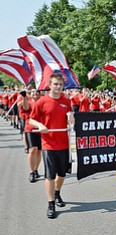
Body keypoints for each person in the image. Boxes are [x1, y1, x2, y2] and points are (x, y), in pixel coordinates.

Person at [29, 73, 74, 219]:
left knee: (61, 174)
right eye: (55, 84)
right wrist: (40, 125)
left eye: (60, 84)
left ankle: (57, 193)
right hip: (48, 144)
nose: (58, 87)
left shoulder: (66, 101)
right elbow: (31, 121)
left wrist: (70, 117)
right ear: (50, 85)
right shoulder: (42, 102)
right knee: (50, 175)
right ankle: (50, 204)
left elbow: (71, 121)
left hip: (63, 144)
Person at [22, 90, 42, 182]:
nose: (35, 94)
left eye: (37, 93)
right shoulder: (28, 102)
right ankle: (31, 172)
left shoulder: (42, 102)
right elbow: (25, 107)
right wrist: (24, 97)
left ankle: (36, 169)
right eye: (33, 93)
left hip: (41, 129)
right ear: (30, 94)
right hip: (30, 129)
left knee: (39, 151)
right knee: (32, 150)